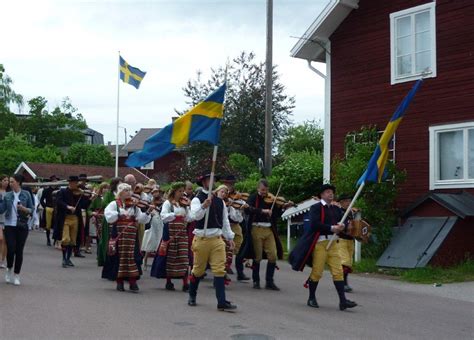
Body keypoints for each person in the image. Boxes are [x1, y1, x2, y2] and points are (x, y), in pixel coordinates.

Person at [289, 184, 357, 311]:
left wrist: (344, 226)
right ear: (321, 194)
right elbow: (315, 224)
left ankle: (343, 301)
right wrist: (331, 228)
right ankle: (311, 298)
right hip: (320, 244)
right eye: (327, 192)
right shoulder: (315, 207)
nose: (330, 194)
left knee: (338, 272)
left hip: (334, 244)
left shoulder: (336, 209)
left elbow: (342, 223)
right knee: (317, 271)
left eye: (331, 192)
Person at [188, 172, 237, 311]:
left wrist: (230, 237)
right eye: (209, 179)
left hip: (217, 239)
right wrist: (204, 206)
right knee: (198, 270)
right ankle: (192, 295)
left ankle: (221, 302)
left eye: (214, 179)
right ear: (203, 181)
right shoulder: (197, 199)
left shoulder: (220, 200)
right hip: (202, 239)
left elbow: (225, 221)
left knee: (219, 270)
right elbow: (194, 217)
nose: (212, 181)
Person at [240, 179, 290, 291]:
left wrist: (284, 207)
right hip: (256, 228)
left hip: (268, 229)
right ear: (258, 188)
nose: (265, 192)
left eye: (266, 190)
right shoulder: (253, 197)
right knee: (257, 256)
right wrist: (263, 211)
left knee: (272, 255)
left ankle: (269, 281)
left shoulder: (271, 199)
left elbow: (276, 214)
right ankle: (256, 280)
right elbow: (248, 210)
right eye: (262, 190)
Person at [102, 183, 152, 292]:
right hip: (119, 236)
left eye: (129, 190)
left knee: (133, 258)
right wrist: (119, 215)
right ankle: (119, 282)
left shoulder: (135, 206)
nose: (129, 193)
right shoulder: (114, 204)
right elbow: (109, 217)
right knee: (119, 258)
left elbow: (142, 219)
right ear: (120, 193)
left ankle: (132, 282)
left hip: (131, 238)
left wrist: (148, 211)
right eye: (126, 191)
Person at [151, 182, 192, 291]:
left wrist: (191, 207)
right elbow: (163, 216)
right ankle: (169, 281)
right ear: (174, 192)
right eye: (179, 191)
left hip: (182, 233)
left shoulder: (184, 204)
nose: (182, 193)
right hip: (170, 232)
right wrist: (176, 215)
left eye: (183, 191)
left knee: (184, 257)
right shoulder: (168, 203)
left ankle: (185, 283)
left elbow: (190, 218)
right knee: (171, 256)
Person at [0, 174, 34, 285]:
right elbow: (2, 209)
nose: (10, 183)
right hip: (9, 225)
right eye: (9, 181)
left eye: (12, 181)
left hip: (22, 226)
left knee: (19, 251)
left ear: (18, 182)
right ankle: (9, 269)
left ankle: (17, 274)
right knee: (10, 249)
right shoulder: (8, 195)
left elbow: (32, 210)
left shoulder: (26, 194)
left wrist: (24, 209)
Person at [54, 176, 91, 268]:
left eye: (76, 183)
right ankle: (63, 258)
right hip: (65, 218)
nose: (75, 184)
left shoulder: (80, 194)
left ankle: (68, 258)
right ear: (70, 183)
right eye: (73, 182)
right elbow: (58, 202)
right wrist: (68, 207)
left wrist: (90, 199)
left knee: (73, 240)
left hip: (75, 218)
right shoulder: (62, 192)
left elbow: (83, 206)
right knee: (66, 239)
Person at [221, 175, 249, 281]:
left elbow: (239, 216)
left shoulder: (237, 197)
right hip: (224, 226)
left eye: (231, 184)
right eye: (227, 184)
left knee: (239, 247)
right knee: (224, 248)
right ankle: (224, 269)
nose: (229, 186)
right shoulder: (221, 197)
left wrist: (243, 208)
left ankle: (239, 271)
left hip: (235, 225)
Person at [97, 177, 122, 266]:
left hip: (119, 219)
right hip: (109, 218)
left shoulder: (121, 194)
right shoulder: (109, 193)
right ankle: (103, 258)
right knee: (106, 238)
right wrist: (114, 205)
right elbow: (104, 204)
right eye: (119, 183)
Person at [336, 194, 356, 293]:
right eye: (347, 201)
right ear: (342, 202)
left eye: (350, 201)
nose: (349, 203)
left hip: (350, 240)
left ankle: (344, 282)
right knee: (345, 262)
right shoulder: (339, 212)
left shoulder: (351, 212)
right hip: (341, 239)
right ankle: (343, 284)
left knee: (349, 262)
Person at [141, 188, 164, 271]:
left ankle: (158, 263)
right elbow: (148, 211)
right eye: (153, 192)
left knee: (160, 242)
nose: (155, 193)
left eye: (157, 192)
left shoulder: (163, 202)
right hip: (154, 222)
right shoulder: (151, 201)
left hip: (161, 221)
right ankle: (145, 260)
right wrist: (151, 211)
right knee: (151, 240)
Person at [40, 175, 58, 246]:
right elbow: (41, 200)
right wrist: (45, 206)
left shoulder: (58, 191)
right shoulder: (46, 190)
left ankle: (55, 239)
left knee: (56, 224)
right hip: (48, 208)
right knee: (48, 225)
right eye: (54, 181)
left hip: (56, 209)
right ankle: (48, 239)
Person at [0, 175, 10, 268]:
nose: (6, 182)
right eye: (4, 180)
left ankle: (2, 260)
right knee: (1, 238)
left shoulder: (10, 193)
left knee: (5, 241)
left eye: (7, 180)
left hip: (7, 219)